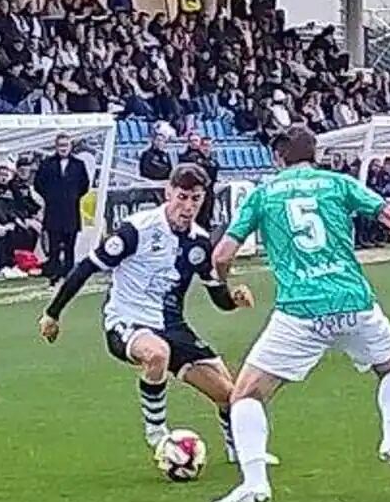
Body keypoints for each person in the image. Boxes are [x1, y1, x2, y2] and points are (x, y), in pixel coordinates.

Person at [206, 126, 390, 502]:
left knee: (246, 394)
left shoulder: (262, 195)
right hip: (354, 302)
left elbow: (222, 255)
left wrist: (225, 286)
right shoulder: (339, 184)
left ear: (279, 158)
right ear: (316, 154)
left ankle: (255, 483)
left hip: (301, 310)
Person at [38, 164, 263, 461]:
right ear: (168, 192)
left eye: (195, 198)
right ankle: (157, 434)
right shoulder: (137, 229)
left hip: (172, 326)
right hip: (127, 321)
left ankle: (239, 451)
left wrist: (234, 298)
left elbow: (218, 298)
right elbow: (87, 266)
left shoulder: (198, 242)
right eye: (182, 196)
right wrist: (52, 313)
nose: (188, 206)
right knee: (156, 354)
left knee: (228, 394)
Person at [33, 133, 90, 283]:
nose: (63, 148)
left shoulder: (78, 165)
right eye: (60, 145)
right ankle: (53, 274)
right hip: (53, 211)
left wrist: (72, 196)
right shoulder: (47, 164)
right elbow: (39, 184)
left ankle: (69, 273)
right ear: (56, 146)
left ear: (71, 146)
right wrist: (51, 196)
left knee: (70, 245)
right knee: (53, 246)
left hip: (71, 211)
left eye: (66, 145)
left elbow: (85, 185)